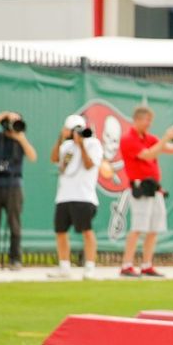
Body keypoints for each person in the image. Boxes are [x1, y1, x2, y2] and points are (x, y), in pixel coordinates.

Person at [118, 106, 173, 278]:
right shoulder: (128, 139)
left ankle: (147, 265)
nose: (149, 124)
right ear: (137, 119)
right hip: (140, 188)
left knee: (154, 229)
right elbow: (147, 155)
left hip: (155, 189)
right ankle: (127, 264)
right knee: (138, 227)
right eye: (146, 120)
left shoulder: (150, 138)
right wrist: (165, 138)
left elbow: (170, 149)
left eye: (150, 121)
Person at [47, 115, 105, 280]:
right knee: (61, 232)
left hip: (84, 196)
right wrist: (61, 137)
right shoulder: (65, 146)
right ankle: (64, 267)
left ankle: (90, 267)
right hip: (64, 196)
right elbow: (54, 159)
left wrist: (81, 145)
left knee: (87, 231)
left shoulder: (93, 144)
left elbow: (88, 165)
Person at [0, 110, 37, 269]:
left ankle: (15, 259)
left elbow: (33, 156)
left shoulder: (20, 140)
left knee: (14, 223)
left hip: (14, 185)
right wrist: (3, 115)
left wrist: (21, 137)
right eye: (12, 122)